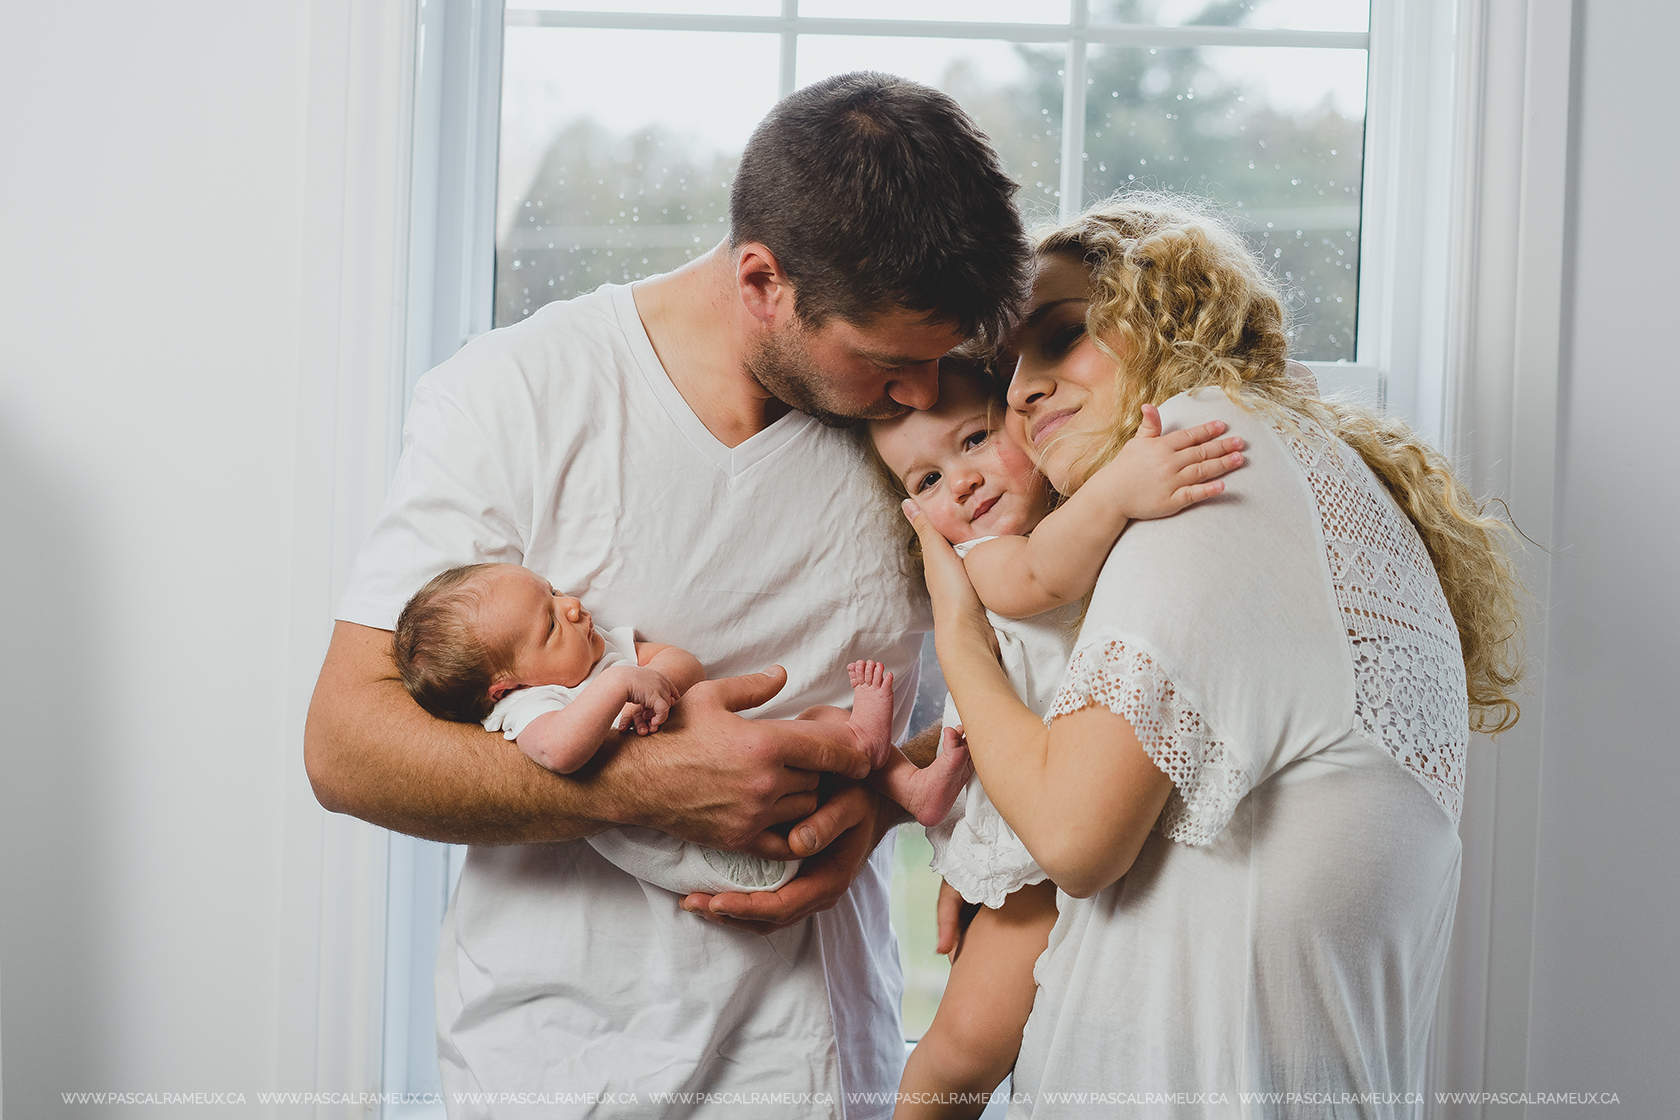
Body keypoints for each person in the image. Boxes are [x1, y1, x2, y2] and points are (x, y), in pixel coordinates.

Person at [302, 72, 1032, 1118]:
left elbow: (1001, 681)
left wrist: (877, 803)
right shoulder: (514, 395)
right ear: (761, 280)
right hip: (558, 1066)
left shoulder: (930, 436)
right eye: (887, 362)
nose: (919, 394)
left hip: (825, 1068)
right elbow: (345, 743)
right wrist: (636, 786)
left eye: (934, 360)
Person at [905, 193, 1524, 1116]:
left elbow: (1073, 835)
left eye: (1062, 334)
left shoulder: (1206, 460)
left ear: (1169, 312)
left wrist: (956, 624)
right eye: (1008, 372)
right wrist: (995, 855)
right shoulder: (1265, 465)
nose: (1020, 391)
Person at [865, 356, 1245, 1119]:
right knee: (970, 1044)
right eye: (926, 482)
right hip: (1032, 833)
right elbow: (1042, 576)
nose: (961, 482)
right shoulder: (985, 561)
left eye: (974, 439)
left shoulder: (1074, 521)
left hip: (1098, 798)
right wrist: (1123, 487)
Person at [389, 561, 973, 894]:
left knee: (823, 719)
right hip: (718, 848)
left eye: (552, 591)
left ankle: (912, 787)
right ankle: (865, 750)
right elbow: (561, 752)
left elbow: (681, 664)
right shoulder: (531, 707)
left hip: (764, 793)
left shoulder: (599, 652)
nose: (571, 606)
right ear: (505, 686)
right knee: (823, 739)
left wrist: (656, 679)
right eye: (548, 623)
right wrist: (616, 689)